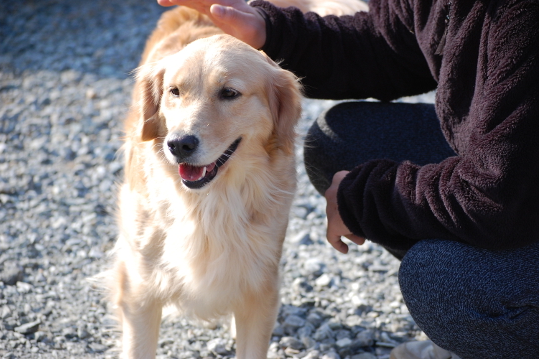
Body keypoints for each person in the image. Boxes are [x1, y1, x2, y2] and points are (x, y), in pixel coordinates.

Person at [157, 0, 539, 358]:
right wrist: (269, 30)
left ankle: (491, 325)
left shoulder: (522, 18)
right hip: (514, 169)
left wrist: (365, 197)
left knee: (440, 283)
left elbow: (499, 194)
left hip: (510, 186)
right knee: (338, 141)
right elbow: (386, 43)